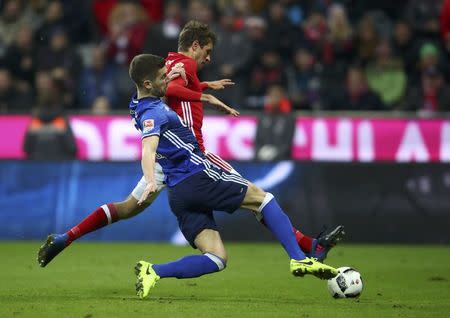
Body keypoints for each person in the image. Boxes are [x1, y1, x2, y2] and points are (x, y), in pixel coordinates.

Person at [37, 21, 343, 269]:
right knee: (256, 198)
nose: (208, 59)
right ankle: (306, 249)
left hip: (166, 162)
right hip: (192, 155)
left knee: (126, 208)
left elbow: (166, 86)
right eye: (206, 51)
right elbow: (170, 88)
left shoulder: (165, 66)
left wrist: (206, 86)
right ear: (193, 45)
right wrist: (206, 96)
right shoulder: (183, 67)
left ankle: (67, 237)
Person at [124, 54, 338, 299]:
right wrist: (150, 180)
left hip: (179, 194)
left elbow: (161, 92)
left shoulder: (137, 103)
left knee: (216, 258)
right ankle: (300, 259)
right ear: (148, 84)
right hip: (198, 175)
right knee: (263, 199)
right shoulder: (153, 114)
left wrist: (200, 86)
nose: (168, 80)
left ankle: (153, 271)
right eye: (163, 77)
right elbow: (148, 149)